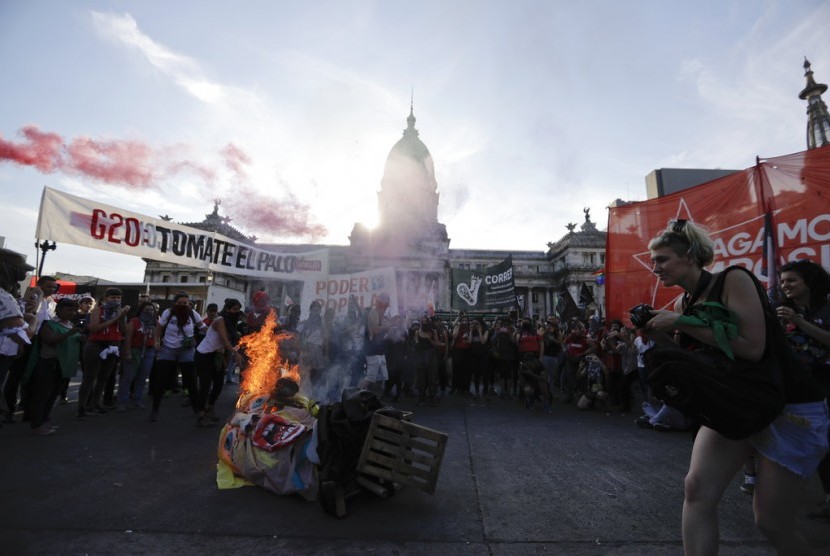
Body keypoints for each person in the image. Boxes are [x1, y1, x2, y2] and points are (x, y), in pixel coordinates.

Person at [645, 218, 829, 555]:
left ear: (689, 257)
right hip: (736, 403)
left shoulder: (734, 280)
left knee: (771, 522)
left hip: (789, 405)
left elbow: (750, 347)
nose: (654, 267)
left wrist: (681, 322)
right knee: (696, 489)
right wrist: (657, 333)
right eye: (653, 260)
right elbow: (700, 359)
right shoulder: (682, 303)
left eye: (662, 259)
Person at [775, 259, 830, 520]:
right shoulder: (781, 310)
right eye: (783, 281)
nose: (785, 285)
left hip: (826, 379)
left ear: (809, 282)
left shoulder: (827, 307)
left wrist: (799, 321)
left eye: (792, 280)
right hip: (800, 386)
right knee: (818, 443)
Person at [25, 298, 83, 435]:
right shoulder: (49, 324)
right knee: (42, 395)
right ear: (59, 310)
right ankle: (37, 424)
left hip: (63, 366)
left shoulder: (70, 325)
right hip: (48, 364)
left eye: (74, 310)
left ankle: (45, 420)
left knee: (53, 395)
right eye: (69, 310)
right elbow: (49, 340)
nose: (72, 313)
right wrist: (70, 333)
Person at [151, 293, 205, 421]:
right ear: (175, 303)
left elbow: (202, 327)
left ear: (189, 304)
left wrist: (215, 333)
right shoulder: (168, 313)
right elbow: (159, 326)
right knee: (161, 380)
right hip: (168, 349)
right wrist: (156, 340)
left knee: (191, 380)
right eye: (180, 303)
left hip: (186, 350)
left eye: (185, 303)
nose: (182, 305)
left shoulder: (193, 314)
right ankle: (155, 409)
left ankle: (197, 410)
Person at [77, 288, 129, 419]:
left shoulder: (120, 312)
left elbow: (124, 331)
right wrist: (116, 317)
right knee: (90, 378)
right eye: (113, 297)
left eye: (118, 298)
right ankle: (82, 407)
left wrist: (121, 318)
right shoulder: (97, 310)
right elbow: (95, 328)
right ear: (106, 298)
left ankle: (95, 404)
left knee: (103, 378)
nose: (116, 300)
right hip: (96, 345)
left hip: (112, 346)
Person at [193, 298, 243, 426]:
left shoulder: (231, 323)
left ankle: (209, 408)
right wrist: (235, 353)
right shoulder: (220, 320)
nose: (236, 312)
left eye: (238, 310)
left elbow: (230, 341)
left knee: (219, 384)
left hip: (217, 355)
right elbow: (224, 339)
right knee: (205, 384)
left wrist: (228, 356)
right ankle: (201, 414)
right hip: (204, 355)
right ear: (227, 309)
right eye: (234, 309)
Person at [117, 302, 159, 411]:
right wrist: (127, 352)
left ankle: (137, 399)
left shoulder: (155, 322)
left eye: (151, 310)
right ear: (141, 311)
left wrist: (155, 347)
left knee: (142, 378)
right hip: (134, 350)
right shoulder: (135, 321)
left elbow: (156, 337)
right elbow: (128, 337)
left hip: (149, 351)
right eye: (147, 310)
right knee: (128, 377)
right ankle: (122, 401)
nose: (149, 312)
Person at [360, 292, 390, 394]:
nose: (386, 305)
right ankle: (354, 394)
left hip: (380, 351)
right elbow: (376, 330)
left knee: (382, 376)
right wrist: (387, 326)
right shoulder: (373, 312)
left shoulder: (383, 315)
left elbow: (385, 335)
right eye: (384, 302)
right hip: (372, 350)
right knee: (370, 378)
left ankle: (374, 397)